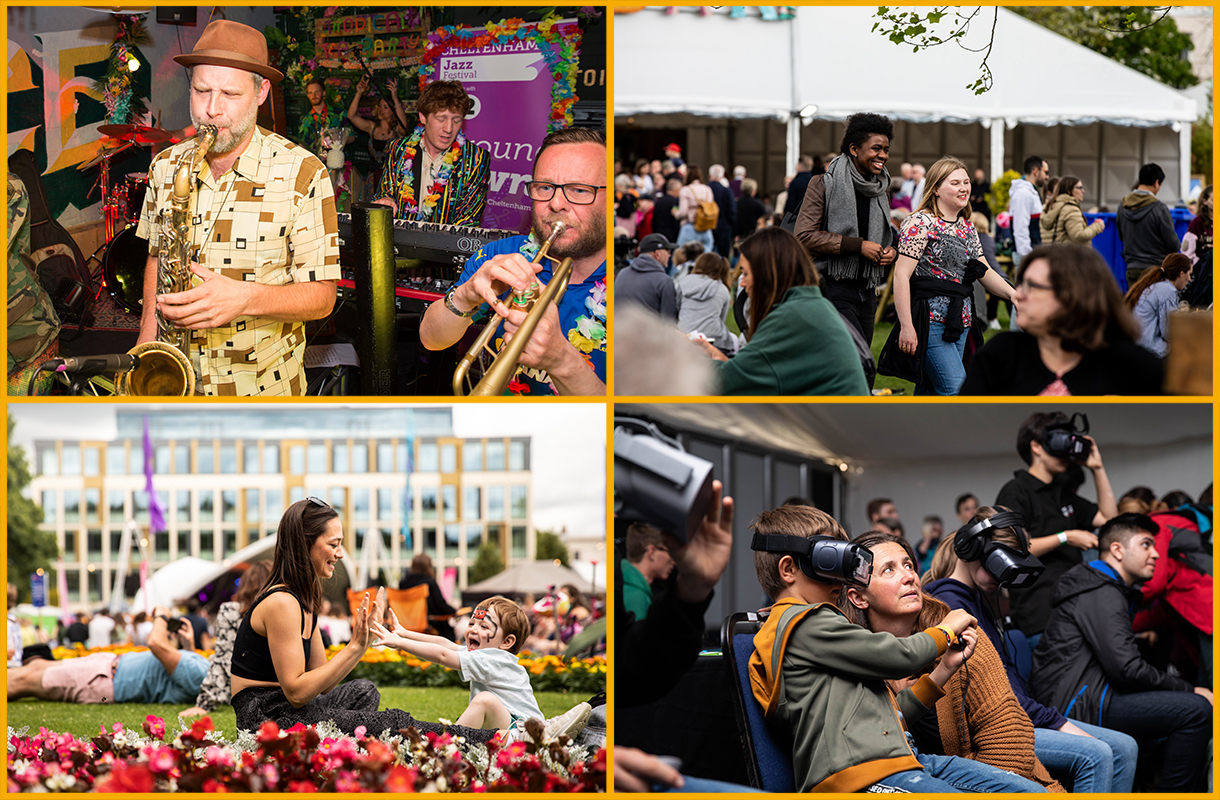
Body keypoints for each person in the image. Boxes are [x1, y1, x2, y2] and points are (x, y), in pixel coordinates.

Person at [748, 505, 1043, 793]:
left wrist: (943, 670)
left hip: (903, 761)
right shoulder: (803, 623)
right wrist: (944, 630)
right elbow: (898, 656)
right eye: (828, 559)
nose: (841, 574)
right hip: (858, 775)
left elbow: (894, 713)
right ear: (788, 569)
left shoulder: (822, 630)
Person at [135, 20, 340, 396]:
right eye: (201, 91)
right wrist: (147, 345)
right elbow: (155, 257)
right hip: (176, 385)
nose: (212, 110)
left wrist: (247, 298)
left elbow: (323, 297)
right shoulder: (165, 167)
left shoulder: (304, 173)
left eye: (230, 93)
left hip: (261, 391)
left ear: (261, 92)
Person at [228, 498, 498, 740]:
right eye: (333, 545)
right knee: (390, 723)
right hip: (266, 718)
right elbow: (297, 692)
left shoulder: (303, 599)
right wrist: (355, 645)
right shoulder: (282, 602)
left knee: (363, 692)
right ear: (304, 545)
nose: (340, 554)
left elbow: (326, 685)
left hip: (289, 708)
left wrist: (364, 641)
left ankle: (342, 741)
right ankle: (483, 739)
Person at [924, 508, 1138, 793]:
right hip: (997, 728)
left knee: (1125, 746)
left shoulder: (978, 599)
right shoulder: (952, 605)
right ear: (972, 549)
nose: (1001, 579)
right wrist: (1056, 721)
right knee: (1096, 754)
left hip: (1020, 714)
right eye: (997, 564)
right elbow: (995, 697)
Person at [839, 531, 1063, 791]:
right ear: (859, 598)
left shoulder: (959, 633)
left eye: (909, 565)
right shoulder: (852, 654)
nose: (909, 576)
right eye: (888, 570)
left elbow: (1011, 745)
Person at [1030, 514, 1213, 792]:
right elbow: (1126, 669)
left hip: (1093, 693)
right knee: (1197, 710)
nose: (1155, 554)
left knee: (1177, 711)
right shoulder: (1101, 590)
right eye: (1146, 545)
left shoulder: (1107, 586)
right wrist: (1190, 689)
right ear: (1117, 550)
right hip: (1078, 703)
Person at [419, 127, 607, 396]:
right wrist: (466, 295)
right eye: (544, 187)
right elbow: (430, 338)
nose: (556, 204)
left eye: (578, 190)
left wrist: (561, 362)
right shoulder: (501, 255)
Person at [884, 156, 1017, 395]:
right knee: (956, 388)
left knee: (931, 393)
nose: (964, 188)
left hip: (961, 321)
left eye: (966, 182)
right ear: (936, 188)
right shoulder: (919, 222)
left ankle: (920, 433)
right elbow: (901, 276)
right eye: (955, 183)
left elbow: (983, 270)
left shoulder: (967, 226)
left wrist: (1013, 294)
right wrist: (906, 326)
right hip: (929, 321)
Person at [370, 596, 590, 739]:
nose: (473, 630)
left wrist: (398, 643)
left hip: (520, 732)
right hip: (509, 726)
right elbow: (446, 645)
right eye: (472, 623)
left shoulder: (492, 660)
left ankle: (447, 750)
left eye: (484, 626)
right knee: (484, 701)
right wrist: (404, 633)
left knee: (484, 700)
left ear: (507, 642)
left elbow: (442, 655)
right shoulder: (488, 654)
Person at [960, 244, 1164, 395]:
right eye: (1020, 284)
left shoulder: (1131, 366)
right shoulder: (1000, 356)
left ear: (1073, 296)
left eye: (1032, 286)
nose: (1019, 294)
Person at [694, 227, 868, 395]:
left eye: (745, 274)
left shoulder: (791, 316)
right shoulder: (809, 306)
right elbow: (752, 375)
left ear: (766, 275)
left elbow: (724, 385)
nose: (742, 283)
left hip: (829, 422)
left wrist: (684, 356)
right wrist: (714, 355)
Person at [993, 411, 1116, 644]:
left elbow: (1109, 521)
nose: (1066, 451)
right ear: (1037, 447)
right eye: (1060, 440)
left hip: (1075, 608)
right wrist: (1065, 537)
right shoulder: (1015, 491)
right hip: (1041, 614)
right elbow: (1011, 548)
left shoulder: (1062, 493)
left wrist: (1097, 468)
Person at [794, 113, 897, 349]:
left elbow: (885, 236)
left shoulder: (881, 189)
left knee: (863, 366)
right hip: (832, 286)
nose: (883, 155)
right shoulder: (823, 184)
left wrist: (892, 252)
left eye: (886, 149)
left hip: (867, 290)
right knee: (855, 358)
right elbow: (804, 236)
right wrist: (859, 246)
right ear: (854, 149)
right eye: (876, 148)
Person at [8, 609, 208, 704]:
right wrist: (189, 646)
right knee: (34, 668)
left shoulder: (200, 674)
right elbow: (183, 673)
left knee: (24, 680)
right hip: (104, 668)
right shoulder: (204, 673)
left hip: (102, 680)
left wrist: (161, 618)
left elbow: (155, 643)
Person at [374, 80, 489, 226]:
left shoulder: (476, 159)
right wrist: (387, 200)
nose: (449, 128)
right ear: (423, 117)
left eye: (456, 120)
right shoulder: (399, 148)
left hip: (446, 246)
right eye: (441, 119)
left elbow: (468, 220)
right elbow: (385, 191)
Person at [179, 560, 272, 718]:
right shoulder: (284, 611)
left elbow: (223, 659)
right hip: (278, 689)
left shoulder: (231, 611)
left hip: (240, 690)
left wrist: (204, 704)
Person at [1116, 163, 1181, 288]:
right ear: (1156, 183)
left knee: (1136, 306)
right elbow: (1173, 244)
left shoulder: (1122, 206)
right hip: (1155, 270)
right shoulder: (1159, 208)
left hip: (1132, 268)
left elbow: (1121, 235)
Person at [347, 77, 408, 200]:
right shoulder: (372, 127)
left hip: (392, 180)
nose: (381, 110)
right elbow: (351, 116)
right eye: (380, 106)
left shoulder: (398, 130)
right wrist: (359, 93)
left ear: (393, 110)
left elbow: (404, 126)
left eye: (386, 107)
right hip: (372, 179)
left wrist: (395, 98)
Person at [1124, 252, 1192, 359]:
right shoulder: (1167, 291)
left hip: (1139, 344)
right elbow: (1168, 332)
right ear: (1181, 273)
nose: (1189, 279)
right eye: (1189, 274)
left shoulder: (1158, 285)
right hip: (1150, 349)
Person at [676, 252, 732, 353]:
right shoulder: (723, 289)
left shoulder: (684, 282)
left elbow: (677, 307)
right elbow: (722, 318)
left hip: (683, 336)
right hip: (713, 340)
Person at [619, 522, 675, 621]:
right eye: (670, 552)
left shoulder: (626, 585)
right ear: (652, 552)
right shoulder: (636, 596)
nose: (674, 562)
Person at [616, 233, 678, 320]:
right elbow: (668, 324)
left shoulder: (622, 274)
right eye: (667, 251)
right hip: (649, 333)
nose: (669, 255)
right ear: (658, 254)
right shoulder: (664, 281)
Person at [398, 553, 457, 641]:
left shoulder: (402, 584)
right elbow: (440, 605)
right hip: (428, 625)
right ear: (429, 567)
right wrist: (454, 611)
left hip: (406, 624)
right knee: (448, 630)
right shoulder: (429, 582)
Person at [1010, 155, 1049, 269]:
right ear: (1036, 171)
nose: (1047, 176)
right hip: (1026, 256)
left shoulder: (1029, 192)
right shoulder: (1023, 193)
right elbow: (1020, 228)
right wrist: (1027, 256)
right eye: (1045, 172)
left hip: (1030, 254)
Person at [1040, 176, 1104, 245]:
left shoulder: (1048, 207)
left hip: (1050, 253)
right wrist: (1098, 226)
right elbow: (1079, 236)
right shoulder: (1071, 209)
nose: (1083, 191)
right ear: (1069, 191)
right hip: (1067, 254)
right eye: (1080, 188)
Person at [297, 79, 346, 159]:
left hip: (336, 162)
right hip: (314, 164)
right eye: (310, 92)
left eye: (317, 91)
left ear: (323, 93)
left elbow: (351, 137)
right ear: (307, 95)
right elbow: (302, 144)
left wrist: (334, 141)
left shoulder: (339, 114)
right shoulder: (304, 120)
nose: (314, 95)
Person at [676, 165, 716, 250]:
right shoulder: (707, 189)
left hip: (691, 226)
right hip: (706, 227)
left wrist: (676, 214)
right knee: (705, 259)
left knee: (682, 256)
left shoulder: (686, 190)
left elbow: (683, 212)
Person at [706, 164, 736, 258]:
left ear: (709, 175)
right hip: (723, 227)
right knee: (723, 257)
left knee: (707, 256)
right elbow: (732, 211)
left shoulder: (705, 189)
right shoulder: (727, 191)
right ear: (722, 176)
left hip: (707, 226)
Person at [781, 155, 815, 221]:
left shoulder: (795, 183)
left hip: (797, 219)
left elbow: (790, 205)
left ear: (799, 166)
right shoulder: (815, 182)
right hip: (812, 219)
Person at [652, 178, 683, 246]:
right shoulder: (675, 202)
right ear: (675, 190)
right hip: (671, 237)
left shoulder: (659, 201)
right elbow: (676, 221)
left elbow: (654, 219)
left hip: (659, 235)